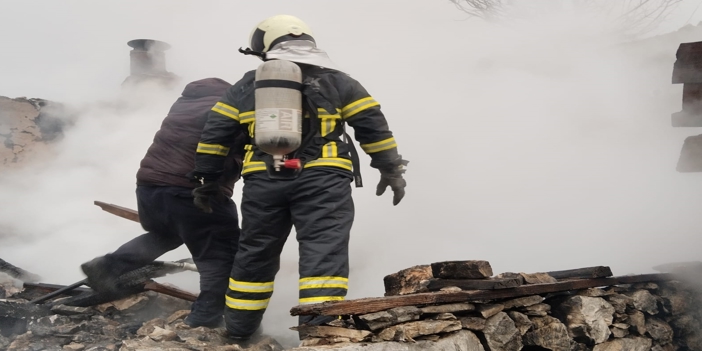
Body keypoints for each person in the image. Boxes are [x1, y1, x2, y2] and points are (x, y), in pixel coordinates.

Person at [190, 15, 408, 339]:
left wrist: (206, 180)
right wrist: (389, 168)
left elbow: (215, 135)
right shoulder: (338, 81)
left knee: (253, 258)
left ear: (266, 45)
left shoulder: (246, 86)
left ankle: (238, 334)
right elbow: (372, 124)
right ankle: (318, 337)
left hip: (263, 182)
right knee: (323, 257)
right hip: (324, 181)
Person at [81, 77, 245, 328]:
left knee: (164, 234)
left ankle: (107, 266)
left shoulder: (184, 106)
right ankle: (205, 320)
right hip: (193, 191)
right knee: (220, 258)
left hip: (150, 189)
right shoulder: (229, 109)